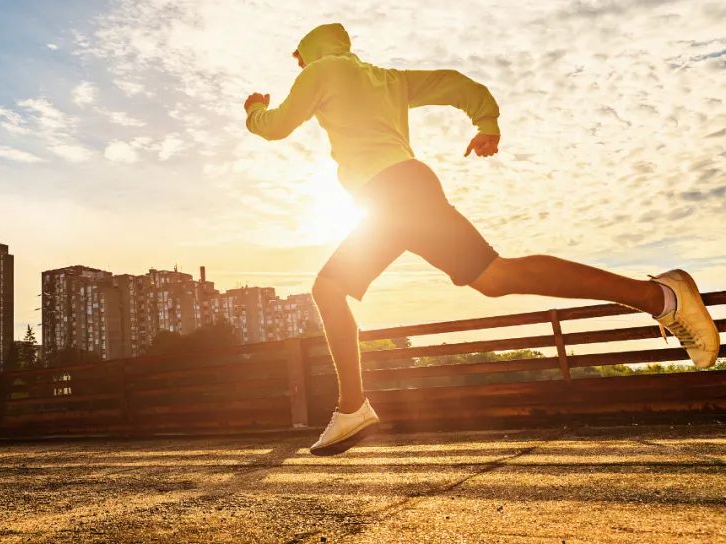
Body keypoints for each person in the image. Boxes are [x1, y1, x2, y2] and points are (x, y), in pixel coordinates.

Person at [243, 22, 720, 457]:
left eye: (299, 59)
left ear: (313, 51)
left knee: (332, 288)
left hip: (392, 195)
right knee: (493, 277)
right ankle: (657, 295)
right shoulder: (385, 78)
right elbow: (454, 82)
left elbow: (277, 126)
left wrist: (255, 110)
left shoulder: (321, 70)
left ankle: (659, 296)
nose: (299, 67)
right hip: (402, 191)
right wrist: (485, 122)